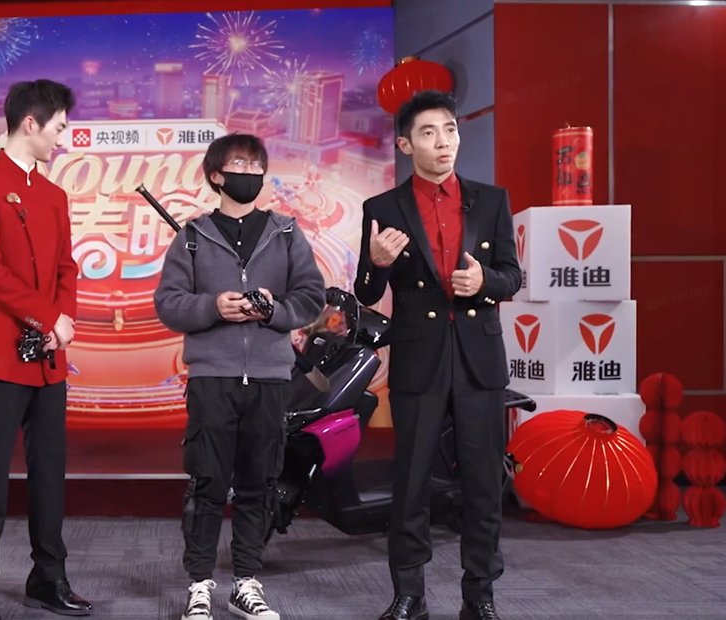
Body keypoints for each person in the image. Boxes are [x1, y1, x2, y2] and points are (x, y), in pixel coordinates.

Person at [353, 90, 521, 620]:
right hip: (419, 359)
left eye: (450, 129)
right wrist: (377, 263)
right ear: (406, 144)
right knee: (411, 481)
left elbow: (513, 277)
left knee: (484, 482)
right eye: (428, 133)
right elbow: (365, 290)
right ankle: (409, 594)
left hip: (478, 360)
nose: (443, 141)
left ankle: (480, 596)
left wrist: (485, 281)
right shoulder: (382, 208)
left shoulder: (491, 200)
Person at [155, 133, 326, 620]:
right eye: (238, 164)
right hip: (212, 377)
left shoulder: (286, 233)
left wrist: (273, 311)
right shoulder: (192, 235)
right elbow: (168, 303)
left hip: (270, 377)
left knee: (259, 482)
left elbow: (311, 297)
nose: (248, 173)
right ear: (216, 175)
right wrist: (214, 307)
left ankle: (246, 582)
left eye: (255, 165)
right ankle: (199, 584)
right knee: (207, 482)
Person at [0, 79, 91, 620]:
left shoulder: (54, 196)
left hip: (50, 356)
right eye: (59, 127)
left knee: (50, 472)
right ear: (30, 123)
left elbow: (65, 268)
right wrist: (47, 317)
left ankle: (48, 578)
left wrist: (63, 321)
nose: (62, 137)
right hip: (0, 353)